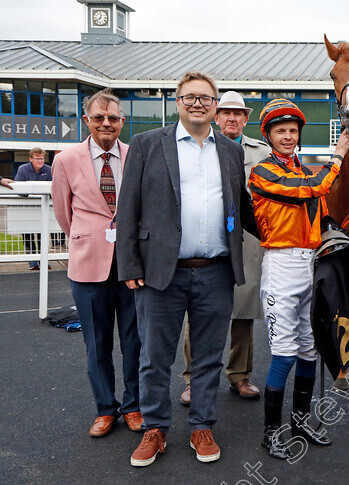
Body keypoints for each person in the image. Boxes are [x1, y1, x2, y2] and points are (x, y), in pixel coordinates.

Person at [117, 71, 258, 467]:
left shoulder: (230, 151)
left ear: (215, 106)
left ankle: (202, 424)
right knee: (155, 356)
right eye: (190, 97)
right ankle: (155, 429)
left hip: (215, 271)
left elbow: (243, 208)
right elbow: (127, 208)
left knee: (209, 356)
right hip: (160, 272)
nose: (198, 103)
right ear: (178, 102)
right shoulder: (147, 145)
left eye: (206, 98)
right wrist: (127, 263)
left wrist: (292, 231)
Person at [249, 98, 349, 459]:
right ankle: (270, 431)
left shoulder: (304, 170)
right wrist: (339, 155)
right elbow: (314, 187)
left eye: (293, 131)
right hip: (280, 266)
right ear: (268, 135)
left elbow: (322, 217)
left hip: (312, 264)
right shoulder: (263, 171)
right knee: (284, 353)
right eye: (281, 131)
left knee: (311, 346)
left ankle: (300, 420)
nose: (289, 137)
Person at [50, 89, 143, 438]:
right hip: (88, 267)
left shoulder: (136, 156)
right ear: (87, 120)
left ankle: (133, 406)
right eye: (100, 118)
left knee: (135, 343)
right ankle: (106, 409)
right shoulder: (66, 159)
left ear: (121, 122)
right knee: (96, 344)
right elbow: (64, 212)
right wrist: (88, 238)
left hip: (132, 266)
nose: (107, 123)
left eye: (114, 118)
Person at [179, 91, 270, 406]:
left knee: (243, 312)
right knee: (198, 311)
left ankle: (240, 375)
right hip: (209, 241)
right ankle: (193, 379)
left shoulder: (262, 152)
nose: (232, 119)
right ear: (216, 116)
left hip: (246, 239)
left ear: (246, 119)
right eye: (226, 113)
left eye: (238, 114)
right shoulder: (200, 148)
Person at [15, 147, 52, 269]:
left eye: (42, 158)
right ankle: (32, 261)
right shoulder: (23, 169)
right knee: (28, 235)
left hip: (44, 208)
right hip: (27, 207)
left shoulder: (49, 170)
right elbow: (18, 188)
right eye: (37, 159)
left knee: (43, 234)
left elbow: (54, 187)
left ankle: (43, 260)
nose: (40, 161)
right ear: (31, 159)